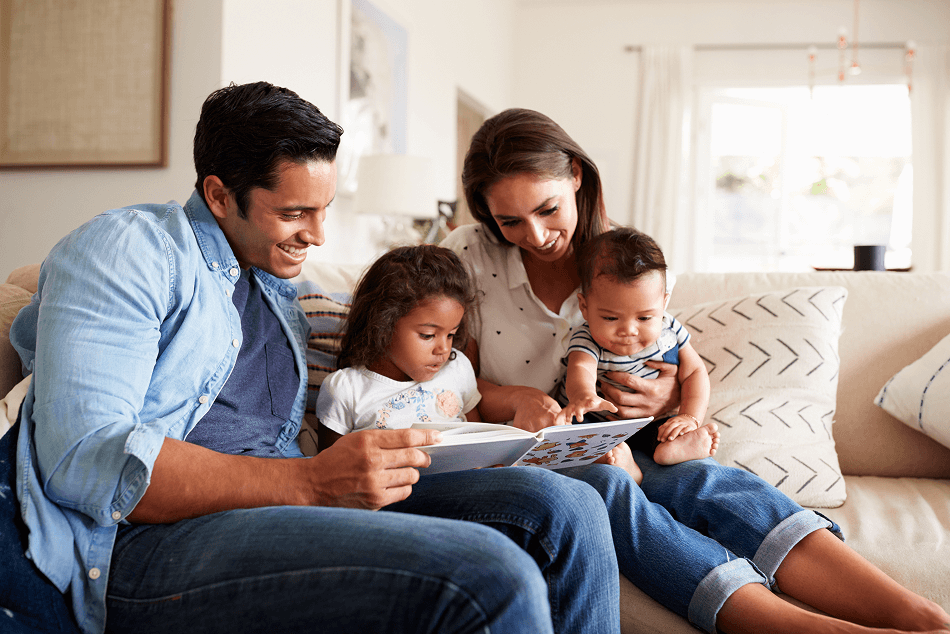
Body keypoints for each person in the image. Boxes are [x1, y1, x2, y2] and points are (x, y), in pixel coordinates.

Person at [6, 83, 622, 634]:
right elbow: (86, 458)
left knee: (567, 507)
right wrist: (309, 481)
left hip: (287, 500)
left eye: (324, 209)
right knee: (490, 576)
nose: (318, 235)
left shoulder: (276, 287)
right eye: (295, 213)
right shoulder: (129, 250)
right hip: (149, 542)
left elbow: (388, 334)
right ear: (220, 195)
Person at [442, 106, 950, 634]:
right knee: (606, 488)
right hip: (531, 449)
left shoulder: (630, 263)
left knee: (706, 480)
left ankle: (917, 615)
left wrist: (664, 402)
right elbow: (448, 379)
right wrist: (514, 398)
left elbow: (670, 362)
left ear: (576, 175)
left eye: (548, 209)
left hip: (629, 433)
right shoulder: (467, 257)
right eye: (510, 221)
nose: (538, 234)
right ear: (485, 215)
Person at [552, 227, 719, 483]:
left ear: (663, 304)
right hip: (597, 423)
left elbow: (695, 372)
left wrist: (689, 417)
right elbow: (581, 369)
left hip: (648, 422)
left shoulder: (669, 329)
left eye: (644, 317)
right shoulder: (587, 338)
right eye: (610, 317)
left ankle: (675, 448)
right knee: (576, 440)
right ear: (584, 307)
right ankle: (624, 464)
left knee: (668, 430)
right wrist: (584, 397)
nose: (628, 330)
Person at [316, 244, 481, 449]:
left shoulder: (457, 368)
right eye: (427, 335)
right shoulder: (346, 389)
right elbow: (329, 467)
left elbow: (480, 437)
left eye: (450, 335)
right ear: (382, 325)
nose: (444, 349)